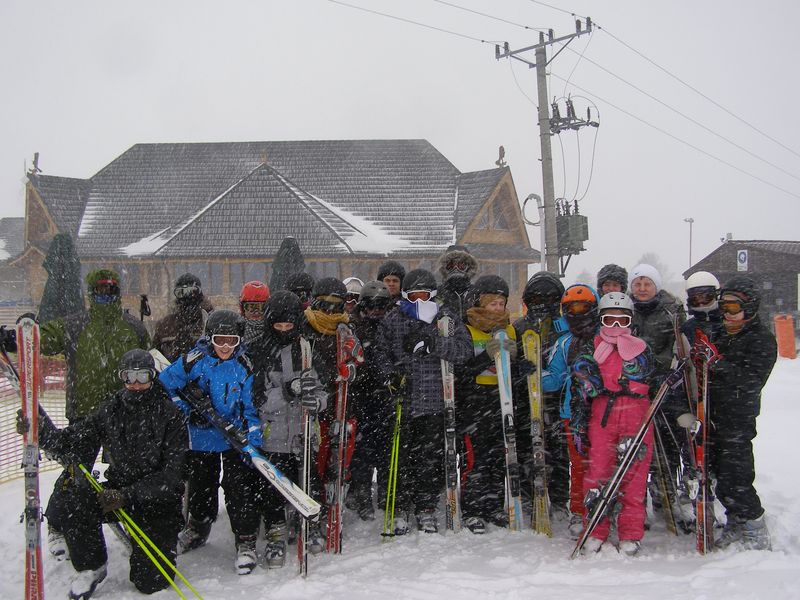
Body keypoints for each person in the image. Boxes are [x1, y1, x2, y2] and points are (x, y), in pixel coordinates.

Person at [21, 349, 186, 599]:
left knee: (151, 582)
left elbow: (172, 476)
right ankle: (91, 565)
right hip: (116, 491)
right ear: (121, 377)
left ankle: (150, 549)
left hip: (156, 501)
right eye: (129, 377)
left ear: (153, 377)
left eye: (142, 376)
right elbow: (72, 442)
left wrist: (128, 495)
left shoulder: (170, 415)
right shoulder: (112, 409)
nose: (136, 384)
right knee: (73, 495)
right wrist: (40, 431)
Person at [39, 268, 150, 560]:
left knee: (124, 472)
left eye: (111, 289)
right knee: (76, 471)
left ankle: (123, 516)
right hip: (84, 414)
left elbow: (146, 364)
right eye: (100, 289)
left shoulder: (133, 328)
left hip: (123, 414)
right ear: (91, 292)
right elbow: (44, 338)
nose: (105, 294)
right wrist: (26, 331)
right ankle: (58, 522)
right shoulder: (75, 325)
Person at [158, 310, 263, 575]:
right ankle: (198, 525)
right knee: (201, 486)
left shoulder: (245, 366)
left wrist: (253, 438)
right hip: (201, 437)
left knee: (238, 488)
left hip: (232, 439)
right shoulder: (194, 360)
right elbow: (165, 385)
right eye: (219, 340)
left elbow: (251, 407)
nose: (226, 347)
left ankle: (246, 540)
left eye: (232, 341)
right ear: (209, 338)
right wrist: (185, 408)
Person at [375, 268, 472, 534]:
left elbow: (464, 350)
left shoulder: (445, 318)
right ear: (405, 294)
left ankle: (426, 505)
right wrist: (389, 375)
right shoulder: (393, 319)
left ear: (433, 295)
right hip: (403, 400)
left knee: (429, 458)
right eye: (413, 296)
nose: (419, 302)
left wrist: (435, 344)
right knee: (399, 456)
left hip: (435, 401)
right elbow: (380, 353)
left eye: (425, 296)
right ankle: (399, 505)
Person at [574, 292, 655, 556]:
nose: (616, 327)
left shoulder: (641, 348)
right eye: (610, 320)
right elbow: (581, 374)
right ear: (600, 320)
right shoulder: (592, 348)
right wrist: (590, 382)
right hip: (604, 414)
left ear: (631, 320)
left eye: (622, 320)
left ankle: (631, 532)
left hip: (636, 413)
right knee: (598, 472)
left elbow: (648, 372)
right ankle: (596, 528)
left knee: (633, 475)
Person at [249, 291, 327, 565]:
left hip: (302, 432)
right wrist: (285, 392)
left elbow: (320, 389)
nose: (283, 331)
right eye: (278, 326)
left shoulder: (307, 348)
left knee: (309, 480)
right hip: (273, 433)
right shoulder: (259, 351)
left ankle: (310, 521)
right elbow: (255, 397)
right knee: (273, 486)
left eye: (288, 326)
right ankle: (275, 531)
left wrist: (316, 401)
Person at [710, 276, 776, 550]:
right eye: (724, 307)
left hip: (738, 418)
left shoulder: (761, 339)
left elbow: (751, 380)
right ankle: (734, 519)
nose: (727, 313)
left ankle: (754, 524)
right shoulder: (721, 333)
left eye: (734, 308)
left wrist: (718, 365)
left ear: (749, 308)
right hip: (715, 416)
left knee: (737, 475)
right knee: (719, 474)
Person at [456, 275, 518, 533]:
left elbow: (515, 367)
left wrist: (520, 363)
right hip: (474, 399)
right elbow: (459, 372)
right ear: (480, 303)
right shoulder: (467, 329)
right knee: (475, 458)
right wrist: (485, 358)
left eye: (501, 303)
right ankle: (472, 509)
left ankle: (493, 505)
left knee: (498, 456)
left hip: (500, 399)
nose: (497, 308)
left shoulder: (509, 329)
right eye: (492, 303)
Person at [628, 263, 687, 522]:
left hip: (664, 386)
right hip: (633, 388)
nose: (642, 289)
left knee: (666, 446)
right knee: (635, 447)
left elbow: (678, 346)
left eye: (647, 283)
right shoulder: (624, 310)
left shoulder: (671, 310)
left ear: (656, 285)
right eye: (637, 284)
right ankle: (635, 501)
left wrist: (659, 369)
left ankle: (664, 495)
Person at [541, 283, 600, 537]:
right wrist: (534, 373)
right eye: (572, 309)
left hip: (602, 411)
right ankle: (578, 510)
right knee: (578, 464)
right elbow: (554, 378)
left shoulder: (605, 338)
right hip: (572, 411)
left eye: (583, 308)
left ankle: (603, 506)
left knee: (603, 462)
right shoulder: (564, 342)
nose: (578, 313)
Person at [512, 271, 571, 523]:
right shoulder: (519, 327)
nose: (542, 303)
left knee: (558, 451)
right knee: (527, 447)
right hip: (526, 398)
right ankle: (528, 495)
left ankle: (558, 498)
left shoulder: (564, 327)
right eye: (536, 298)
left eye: (548, 298)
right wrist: (518, 370)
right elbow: (509, 362)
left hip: (556, 398)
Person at [348, 281, 396, 521]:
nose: (376, 311)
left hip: (387, 396)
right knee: (362, 452)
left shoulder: (391, 327)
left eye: (381, 306)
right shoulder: (353, 327)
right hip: (361, 398)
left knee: (388, 450)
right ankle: (362, 494)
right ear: (363, 306)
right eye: (372, 306)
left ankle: (388, 494)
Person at [153, 273, 212, 363]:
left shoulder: (209, 322)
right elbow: (155, 357)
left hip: (203, 374)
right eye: (181, 292)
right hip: (171, 374)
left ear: (200, 293)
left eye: (192, 291)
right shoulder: (165, 325)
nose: (187, 296)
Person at [436, 245, 478, 322]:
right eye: (451, 265)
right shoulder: (437, 294)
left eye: (461, 265)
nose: (456, 269)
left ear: (468, 267)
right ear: (445, 268)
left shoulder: (476, 293)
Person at [238, 280, 270, 346]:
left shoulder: (274, 331)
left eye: (261, 307)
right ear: (243, 309)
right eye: (250, 307)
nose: (256, 312)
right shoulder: (236, 331)